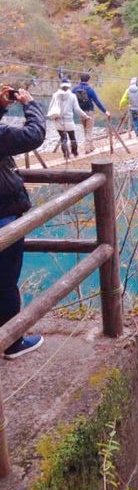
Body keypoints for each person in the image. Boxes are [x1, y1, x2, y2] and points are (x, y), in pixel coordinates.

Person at [0, 85, 46, 359]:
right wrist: (30, 104)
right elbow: (34, 135)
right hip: (3, 215)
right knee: (4, 281)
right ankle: (12, 343)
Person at [47, 78, 91, 160]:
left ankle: (66, 155)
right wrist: (85, 116)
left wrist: (51, 117)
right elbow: (77, 109)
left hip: (58, 120)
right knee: (72, 138)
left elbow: (51, 108)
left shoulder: (55, 95)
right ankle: (75, 153)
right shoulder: (72, 96)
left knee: (63, 138)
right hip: (69, 121)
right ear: (69, 86)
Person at [73, 73, 111, 154]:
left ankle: (91, 147)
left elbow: (70, 98)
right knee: (89, 130)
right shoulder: (90, 89)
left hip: (80, 112)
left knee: (85, 130)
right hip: (89, 111)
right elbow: (97, 102)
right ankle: (87, 149)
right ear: (88, 80)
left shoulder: (75, 89)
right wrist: (105, 111)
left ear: (80, 79)